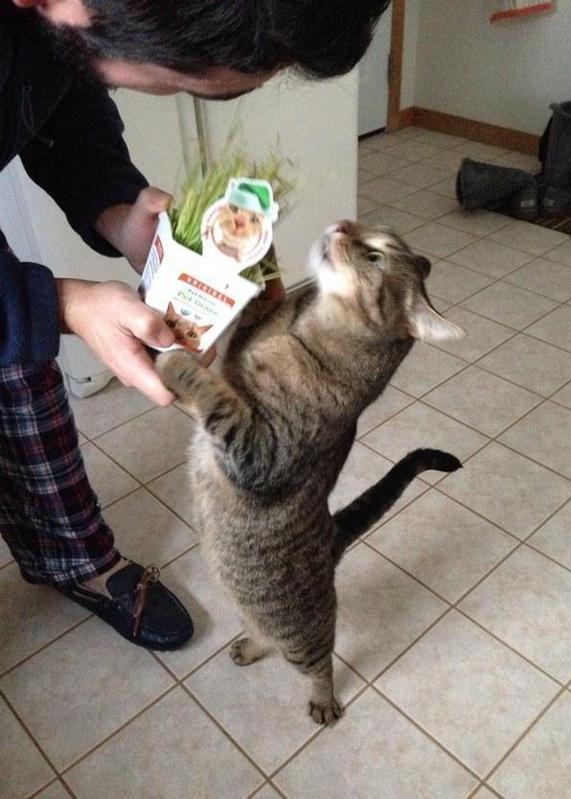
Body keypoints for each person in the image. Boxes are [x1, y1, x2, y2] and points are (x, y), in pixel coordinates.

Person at [0, 0, 390, 650]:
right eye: (174, 82)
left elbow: (60, 92)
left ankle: (73, 558)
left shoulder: (61, 34)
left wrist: (116, 211)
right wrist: (64, 305)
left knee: (21, 373)